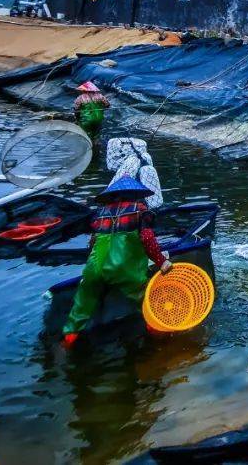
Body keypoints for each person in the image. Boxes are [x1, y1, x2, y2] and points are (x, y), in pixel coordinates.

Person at [62, 175, 171, 347]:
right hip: (124, 269)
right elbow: (147, 238)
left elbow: (92, 244)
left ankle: (67, 341)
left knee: (81, 306)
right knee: (146, 300)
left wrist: (91, 270)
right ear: (135, 194)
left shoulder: (101, 215)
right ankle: (159, 337)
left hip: (94, 268)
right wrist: (161, 261)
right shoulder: (140, 210)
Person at [106, 138, 163, 209]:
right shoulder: (145, 164)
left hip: (132, 209)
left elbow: (112, 192)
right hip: (144, 208)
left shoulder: (132, 164)